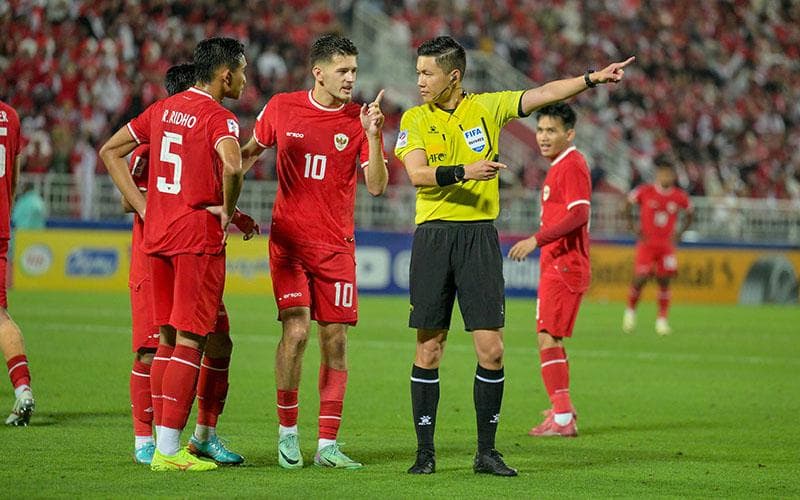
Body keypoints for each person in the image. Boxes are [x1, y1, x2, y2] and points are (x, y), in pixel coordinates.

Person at [394, 35, 632, 475]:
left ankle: (486, 452)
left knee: (493, 350)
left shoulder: (488, 107)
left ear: (454, 76)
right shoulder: (414, 118)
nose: (420, 81)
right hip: (433, 238)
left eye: (427, 73)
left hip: (480, 239)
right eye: (418, 72)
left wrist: (590, 79)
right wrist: (467, 170)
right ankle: (424, 453)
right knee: (429, 348)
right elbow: (418, 175)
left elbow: (543, 93)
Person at [240, 34, 387, 470]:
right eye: (343, 71)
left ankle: (327, 445)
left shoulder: (357, 122)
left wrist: (374, 136)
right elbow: (245, 157)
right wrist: (223, 204)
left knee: (335, 340)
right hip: (289, 244)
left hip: (336, 247)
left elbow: (377, 185)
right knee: (297, 332)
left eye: (355, 71)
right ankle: (288, 434)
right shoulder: (283, 108)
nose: (350, 79)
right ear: (318, 72)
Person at [100, 37, 246, 472]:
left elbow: (110, 151)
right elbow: (234, 166)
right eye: (241, 71)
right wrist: (228, 210)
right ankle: (168, 451)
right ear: (225, 75)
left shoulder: (162, 111)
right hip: (195, 238)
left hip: (158, 235)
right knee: (190, 340)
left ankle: (162, 445)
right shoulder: (222, 119)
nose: (244, 79)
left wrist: (146, 207)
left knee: (164, 338)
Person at [509, 102, 590, 438]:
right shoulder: (559, 165)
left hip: (564, 265)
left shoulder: (571, 165)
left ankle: (561, 419)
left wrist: (536, 240)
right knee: (550, 338)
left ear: (568, 134)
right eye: (540, 130)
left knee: (547, 337)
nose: (543, 137)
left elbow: (579, 214)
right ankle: (562, 409)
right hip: (558, 265)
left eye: (551, 130)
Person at [623, 156, 694, 335]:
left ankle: (662, 320)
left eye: (669, 174)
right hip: (647, 245)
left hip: (666, 246)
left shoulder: (679, 196)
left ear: (673, 176)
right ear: (657, 175)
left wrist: (680, 233)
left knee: (664, 281)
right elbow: (626, 205)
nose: (666, 177)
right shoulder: (645, 191)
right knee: (641, 277)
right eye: (663, 173)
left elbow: (691, 213)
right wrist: (633, 227)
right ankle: (630, 313)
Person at [1, 99, 35, 426]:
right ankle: (22, 389)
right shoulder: (10, 117)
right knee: (0, 316)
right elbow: (14, 177)